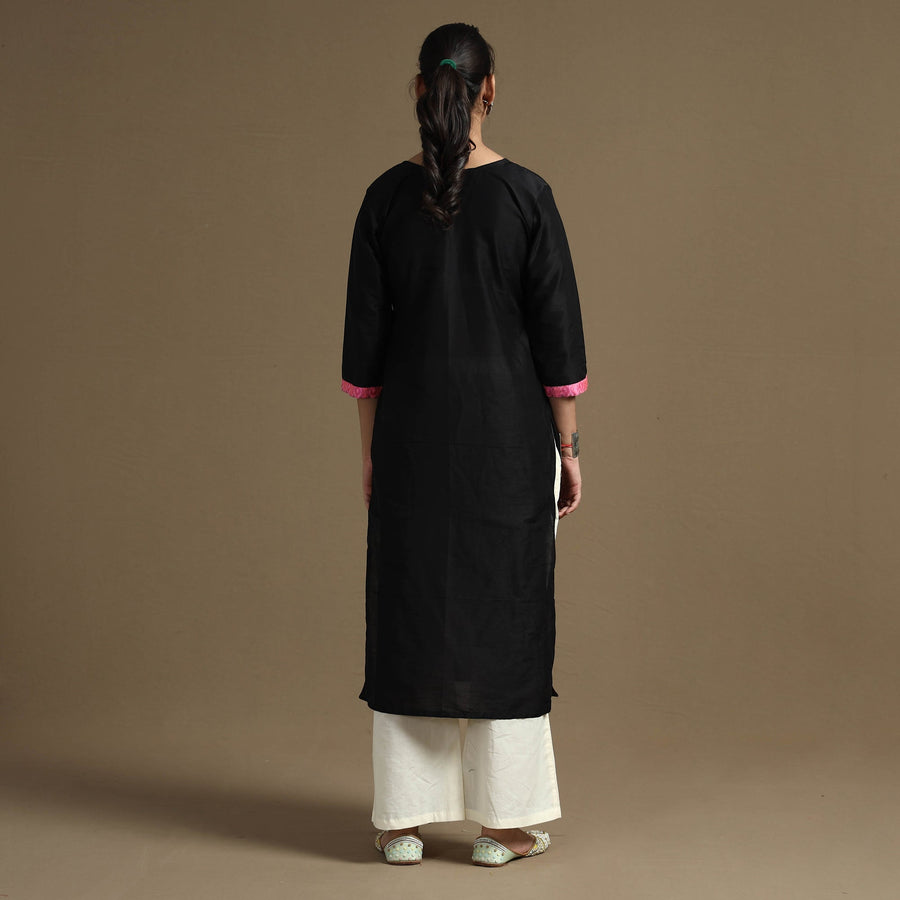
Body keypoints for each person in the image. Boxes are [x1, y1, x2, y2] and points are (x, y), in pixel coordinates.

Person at [340, 22, 588, 867]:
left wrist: (373, 455)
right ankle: (503, 826)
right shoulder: (526, 196)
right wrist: (569, 449)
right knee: (505, 614)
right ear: (490, 90)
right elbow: (558, 342)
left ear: (421, 89)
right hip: (507, 444)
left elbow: (365, 357)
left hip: (412, 440)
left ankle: (401, 821)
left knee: (411, 611)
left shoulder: (383, 198)